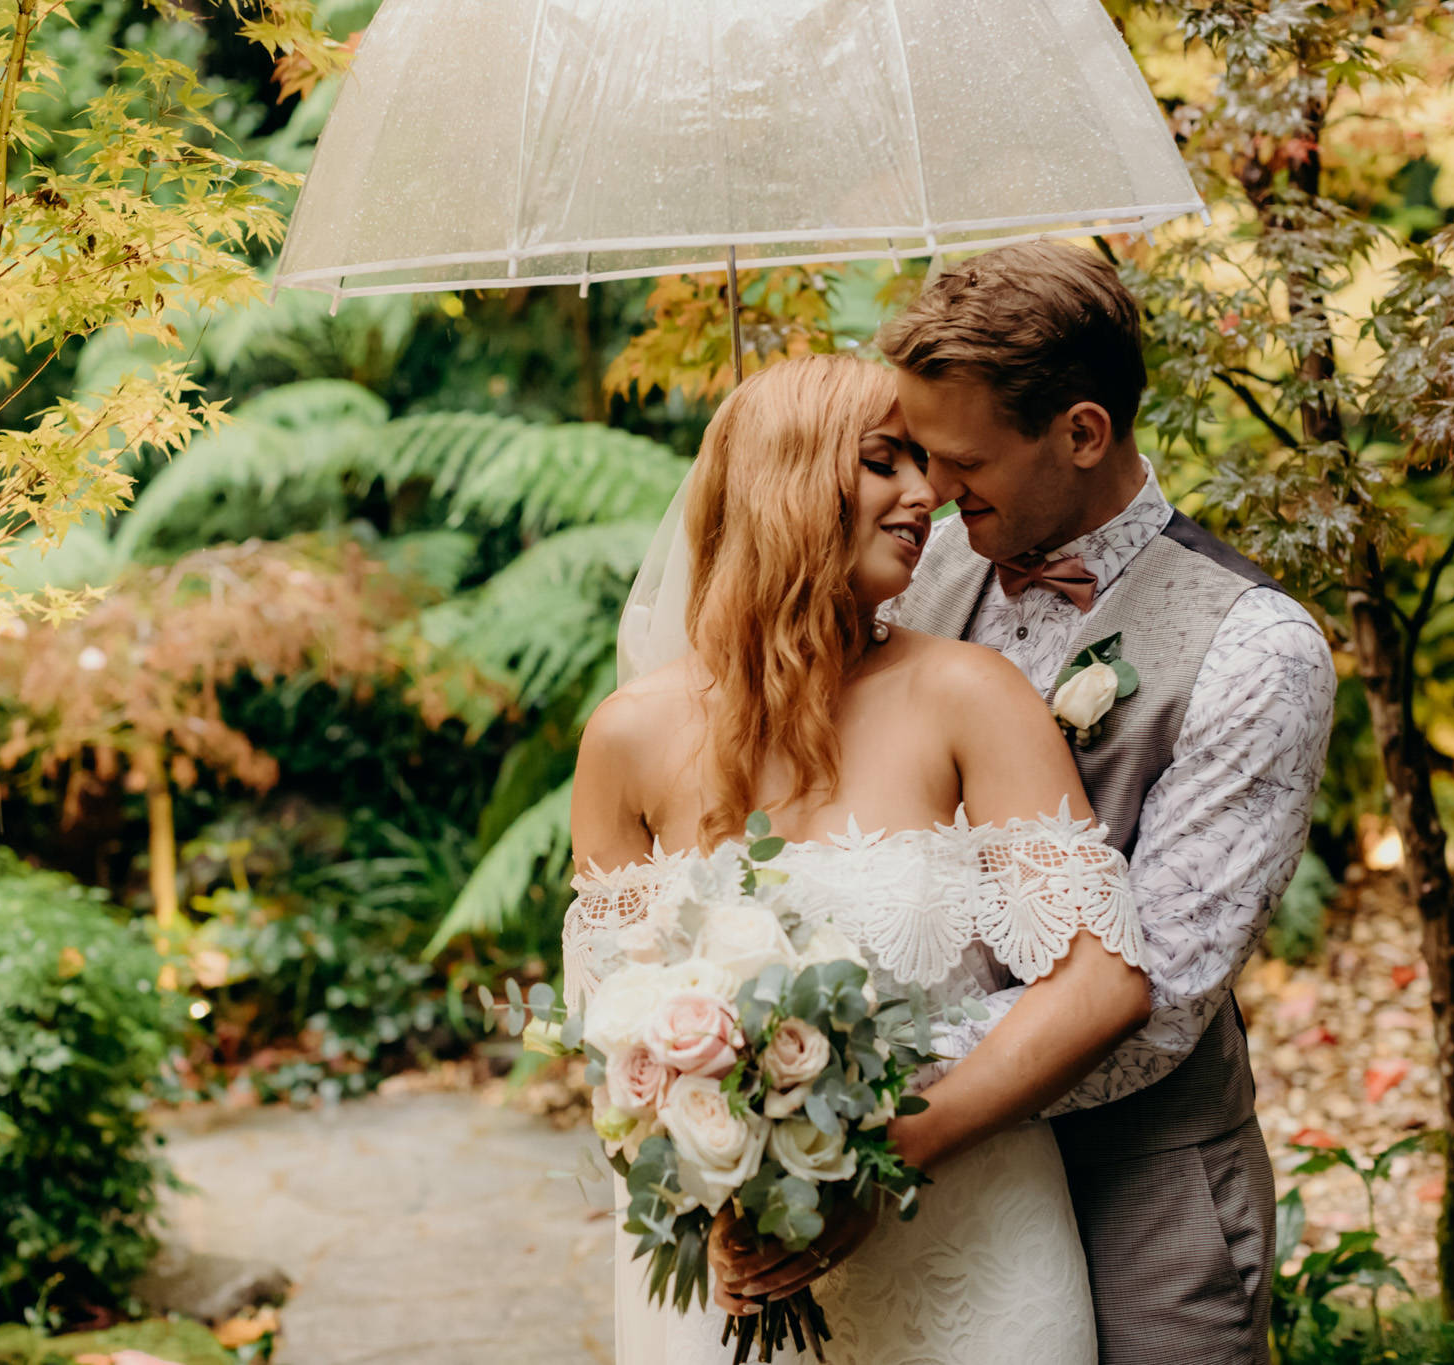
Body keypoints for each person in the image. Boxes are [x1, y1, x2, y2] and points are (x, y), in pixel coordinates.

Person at [711, 242, 1337, 1365]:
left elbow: (1165, 994)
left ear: (1081, 433)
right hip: (907, 1186)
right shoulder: (910, 565)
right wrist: (769, 1090)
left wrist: (857, 1104)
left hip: (1132, 1188)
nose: (932, 491)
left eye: (959, 459)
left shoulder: (1254, 648)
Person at [566, 352, 1154, 1365]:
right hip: (736, 1267)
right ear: (783, 481)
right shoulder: (626, 739)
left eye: (923, 463)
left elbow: (1100, 982)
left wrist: (884, 1152)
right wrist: (713, 1186)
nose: (924, 495)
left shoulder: (970, 693)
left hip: (967, 1241)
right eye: (884, 461)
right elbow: (615, 1047)